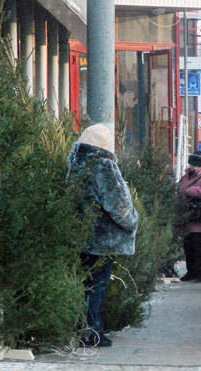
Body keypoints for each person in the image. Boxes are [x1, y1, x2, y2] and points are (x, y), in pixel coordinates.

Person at [67, 123, 139, 347]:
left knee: (85, 284)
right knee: (97, 286)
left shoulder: (75, 163)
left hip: (81, 236)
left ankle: (86, 329)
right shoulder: (103, 165)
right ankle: (93, 332)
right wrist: (133, 222)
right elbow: (117, 204)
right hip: (102, 239)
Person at [179, 151, 201, 281]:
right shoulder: (187, 175)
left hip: (200, 218)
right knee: (189, 246)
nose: (191, 167)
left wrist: (190, 191)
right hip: (188, 216)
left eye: (194, 165)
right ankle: (191, 272)